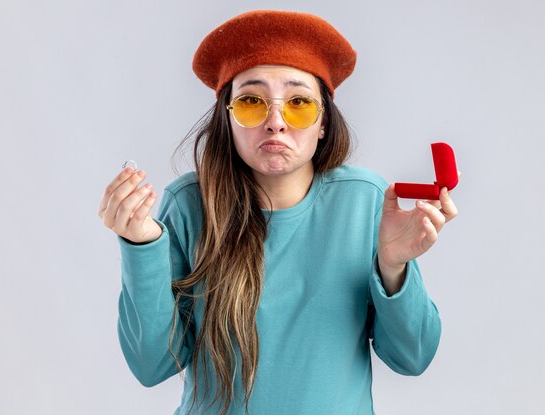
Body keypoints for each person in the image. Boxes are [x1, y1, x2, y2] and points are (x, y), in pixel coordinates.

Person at [98, 10, 458, 415]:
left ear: (323, 122)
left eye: (299, 103)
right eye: (252, 102)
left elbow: (413, 357)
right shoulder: (187, 205)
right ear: (228, 118)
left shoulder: (366, 201)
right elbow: (151, 364)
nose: (275, 123)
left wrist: (393, 268)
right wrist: (140, 245)